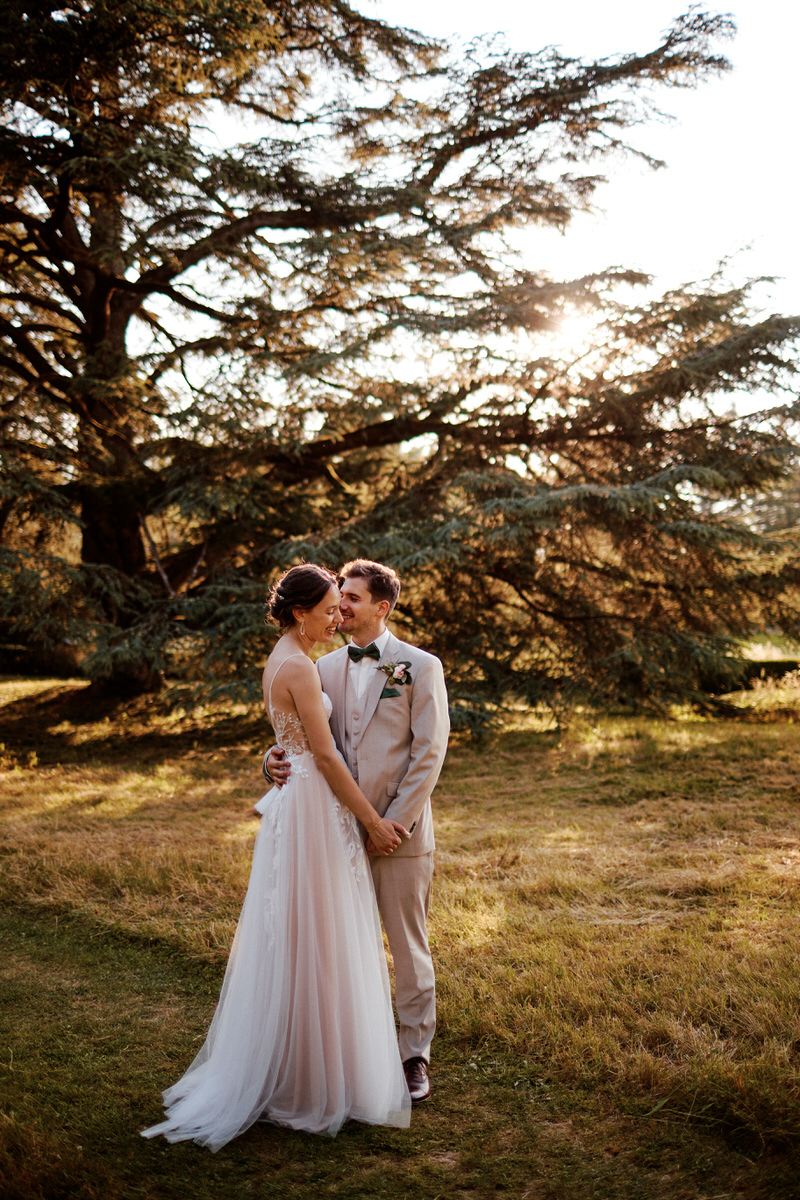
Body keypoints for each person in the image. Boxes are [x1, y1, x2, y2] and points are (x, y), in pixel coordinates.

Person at [141, 564, 412, 1151]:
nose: (336, 617)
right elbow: (325, 754)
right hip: (316, 806)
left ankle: (300, 1066)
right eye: (327, 609)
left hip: (302, 804)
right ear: (299, 613)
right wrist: (370, 818)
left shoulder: (286, 659)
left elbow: (293, 740)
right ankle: (308, 1080)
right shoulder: (298, 665)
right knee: (317, 935)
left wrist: (275, 757)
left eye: (344, 607)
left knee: (302, 934)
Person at [265, 559, 449, 1105]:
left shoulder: (420, 666)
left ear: (381, 607)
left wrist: (394, 822)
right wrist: (271, 760)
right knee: (339, 945)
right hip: (332, 831)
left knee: (408, 944)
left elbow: (429, 751)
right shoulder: (319, 668)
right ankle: (351, 1053)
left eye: (351, 598)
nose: (340, 605)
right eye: (338, 596)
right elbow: (302, 738)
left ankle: (414, 1054)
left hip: (399, 831)